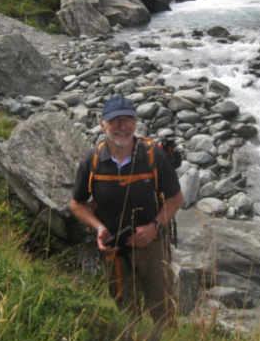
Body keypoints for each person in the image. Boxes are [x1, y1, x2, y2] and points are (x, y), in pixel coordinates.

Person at [69, 95, 184, 327]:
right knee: (127, 313)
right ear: (103, 125)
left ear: (136, 123)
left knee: (163, 309)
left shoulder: (153, 155)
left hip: (152, 247)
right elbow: (76, 204)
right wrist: (99, 228)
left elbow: (176, 198)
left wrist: (154, 228)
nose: (123, 127)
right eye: (115, 121)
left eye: (128, 120)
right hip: (114, 249)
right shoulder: (92, 161)